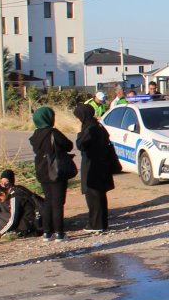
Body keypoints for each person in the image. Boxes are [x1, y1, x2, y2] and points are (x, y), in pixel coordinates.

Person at [74, 103, 119, 233]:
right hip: (101, 164)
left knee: (93, 195)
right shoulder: (97, 125)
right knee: (99, 195)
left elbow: (81, 145)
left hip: (93, 166)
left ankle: (96, 224)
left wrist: (78, 132)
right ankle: (101, 223)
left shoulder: (90, 129)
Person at [30, 107, 73, 242]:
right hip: (56, 170)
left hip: (42, 170)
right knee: (58, 202)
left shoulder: (35, 135)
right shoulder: (53, 133)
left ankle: (47, 232)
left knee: (48, 200)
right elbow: (68, 145)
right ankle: (59, 233)